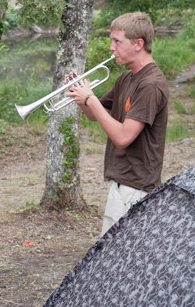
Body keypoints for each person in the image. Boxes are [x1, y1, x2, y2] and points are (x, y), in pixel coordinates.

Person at [66, 12, 169, 236]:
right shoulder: (126, 78)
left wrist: (89, 98)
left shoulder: (150, 84)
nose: (112, 48)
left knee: (121, 259)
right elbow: (96, 114)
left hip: (136, 186)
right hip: (122, 182)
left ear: (138, 44)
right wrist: (79, 93)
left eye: (117, 41)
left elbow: (123, 138)